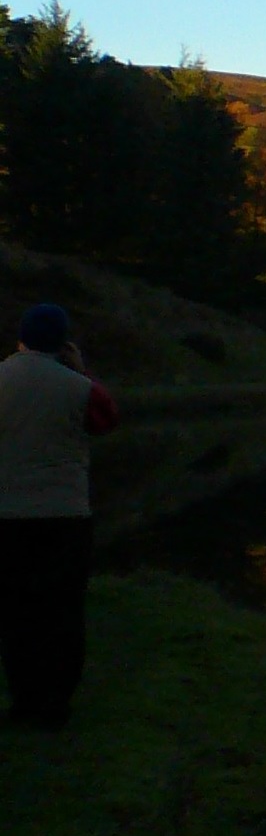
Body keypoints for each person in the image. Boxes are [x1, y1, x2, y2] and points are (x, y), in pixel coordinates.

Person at [0, 304, 118, 731]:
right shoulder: (79, 388)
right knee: (62, 611)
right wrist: (81, 371)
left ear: (21, 339)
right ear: (63, 342)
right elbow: (106, 422)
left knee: (16, 611)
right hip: (64, 514)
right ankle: (56, 701)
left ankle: (24, 699)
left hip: (7, 512)